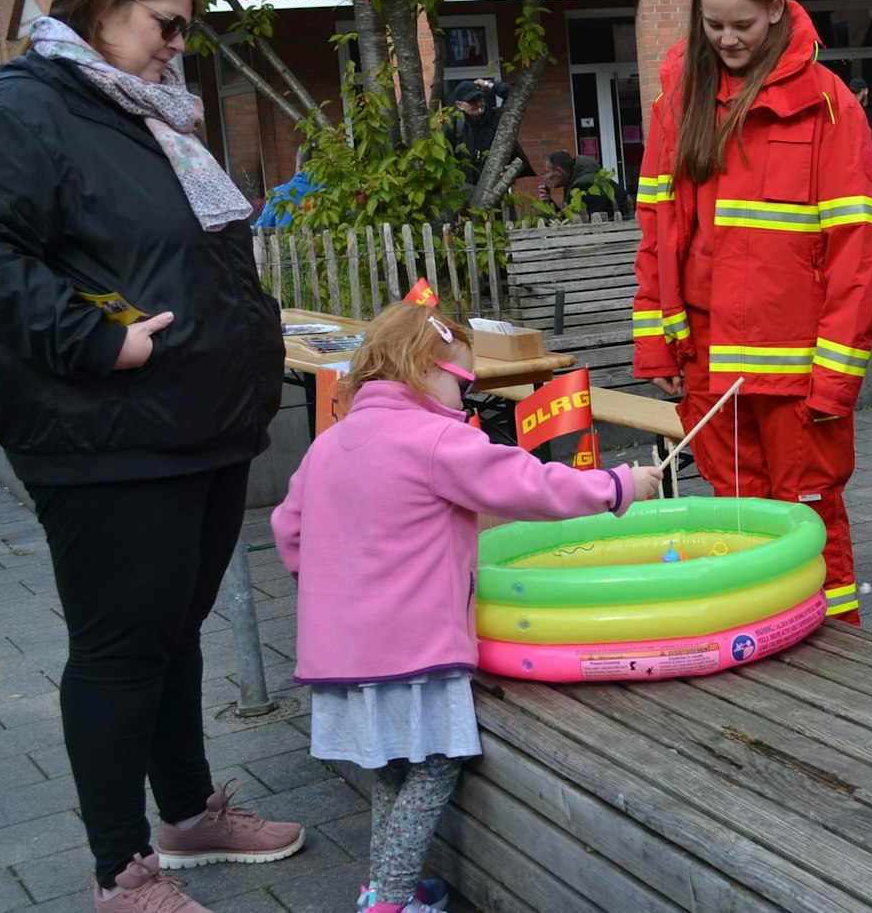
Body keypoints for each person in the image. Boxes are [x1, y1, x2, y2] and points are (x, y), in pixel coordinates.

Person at [0, 0, 300, 912]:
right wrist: (98, 339)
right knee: (121, 650)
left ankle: (186, 814)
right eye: (166, 25)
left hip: (196, 422)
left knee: (173, 635)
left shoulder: (142, 112)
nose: (178, 47)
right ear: (103, 5)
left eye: (186, 31)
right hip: (108, 433)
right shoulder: (27, 108)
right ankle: (121, 872)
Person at [272, 303, 661, 913]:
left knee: (392, 769)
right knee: (435, 765)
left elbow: (288, 529)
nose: (466, 397)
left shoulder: (330, 444)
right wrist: (616, 487)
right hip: (414, 648)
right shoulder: (437, 440)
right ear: (425, 369)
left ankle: (386, 886)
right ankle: (390, 904)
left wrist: (335, 592)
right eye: (464, 382)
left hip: (341, 653)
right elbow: (530, 484)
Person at [632, 0, 872, 625]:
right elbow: (658, 234)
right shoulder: (678, 102)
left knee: (809, 516)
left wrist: (835, 380)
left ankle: (839, 653)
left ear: (776, 10)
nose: (728, 39)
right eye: (713, 24)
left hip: (797, 370)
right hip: (710, 363)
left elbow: (858, 256)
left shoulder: (829, 106)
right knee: (737, 518)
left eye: (741, 23)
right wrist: (659, 345)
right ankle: (757, 646)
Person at [445, 77, 529, 191]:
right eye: (472, 101)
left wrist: (487, 84)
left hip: (494, 190)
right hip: (465, 191)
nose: (478, 104)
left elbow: (515, 96)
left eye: (480, 99)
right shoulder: (454, 125)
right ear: (459, 105)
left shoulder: (495, 118)